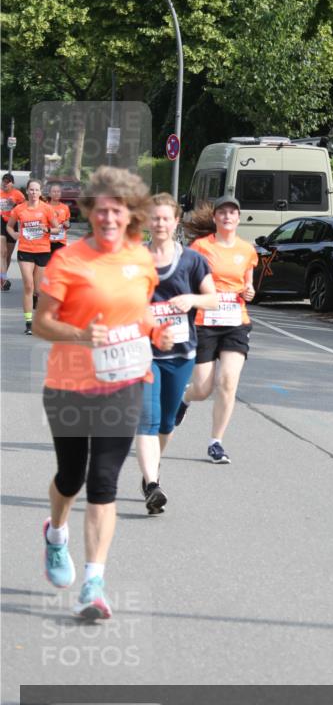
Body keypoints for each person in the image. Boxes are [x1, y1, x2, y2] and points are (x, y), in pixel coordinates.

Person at [33, 166, 173, 620]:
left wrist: (159, 332)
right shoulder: (68, 260)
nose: (109, 218)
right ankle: (56, 533)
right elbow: (41, 324)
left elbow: (142, 313)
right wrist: (80, 335)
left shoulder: (140, 259)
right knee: (71, 476)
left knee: (103, 482)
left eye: (118, 210)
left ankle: (94, 583)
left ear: (130, 213)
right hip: (69, 385)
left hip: (124, 383)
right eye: (101, 210)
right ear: (89, 211)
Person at [135, 192, 218, 514]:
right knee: (147, 419)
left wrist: (191, 301)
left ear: (175, 221)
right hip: (143, 352)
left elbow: (212, 298)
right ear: (147, 221)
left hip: (181, 353)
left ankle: (151, 471)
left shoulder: (192, 260)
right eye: (154, 218)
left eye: (165, 218)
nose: (159, 224)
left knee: (166, 422)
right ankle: (153, 484)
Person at [175, 196, 257, 463]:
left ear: (238, 218)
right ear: (215, 219)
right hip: (205, 322)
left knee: (228, 382)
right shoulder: (200, 247)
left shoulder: (247, 250)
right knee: (202, 388)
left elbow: (249, 287)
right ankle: (185, 399)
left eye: (232, 212)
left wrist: (249, 291)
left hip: (236, 322)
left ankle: (216, 442)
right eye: (222, 212)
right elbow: (188, 279)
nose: (227, 217)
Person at [6, 178, 54, 333]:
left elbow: (57, 228)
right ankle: (28, 323)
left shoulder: (47, 209)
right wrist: (13, 234)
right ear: (27, 191)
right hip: (25, 250)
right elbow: (9, 226)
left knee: (38, 290)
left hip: (42, 251)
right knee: (28, 285)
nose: (34, 193)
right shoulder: (19, 209)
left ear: (40, 192)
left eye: (36, 190)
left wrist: (46, 229)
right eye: (31, 190)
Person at [1, 171, 26, 291]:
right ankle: (3, 279)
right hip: (1, 222)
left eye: (8, 182)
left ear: (12, 183)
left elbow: (24, 210)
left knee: (8, 255)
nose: (5, 184)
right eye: (3, 182)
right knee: (2, 253)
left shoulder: (18, 194)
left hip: (12, 224)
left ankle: (2, 276)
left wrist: (15, 206)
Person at [47, 183, 71, 256]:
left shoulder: (65, 207)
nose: (56, 193)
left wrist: (67, 224)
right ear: (49, 194)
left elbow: (68, 223)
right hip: (46, 242)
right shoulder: (44, 206)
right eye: (54, 191)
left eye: (58, 191)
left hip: (61, 241)